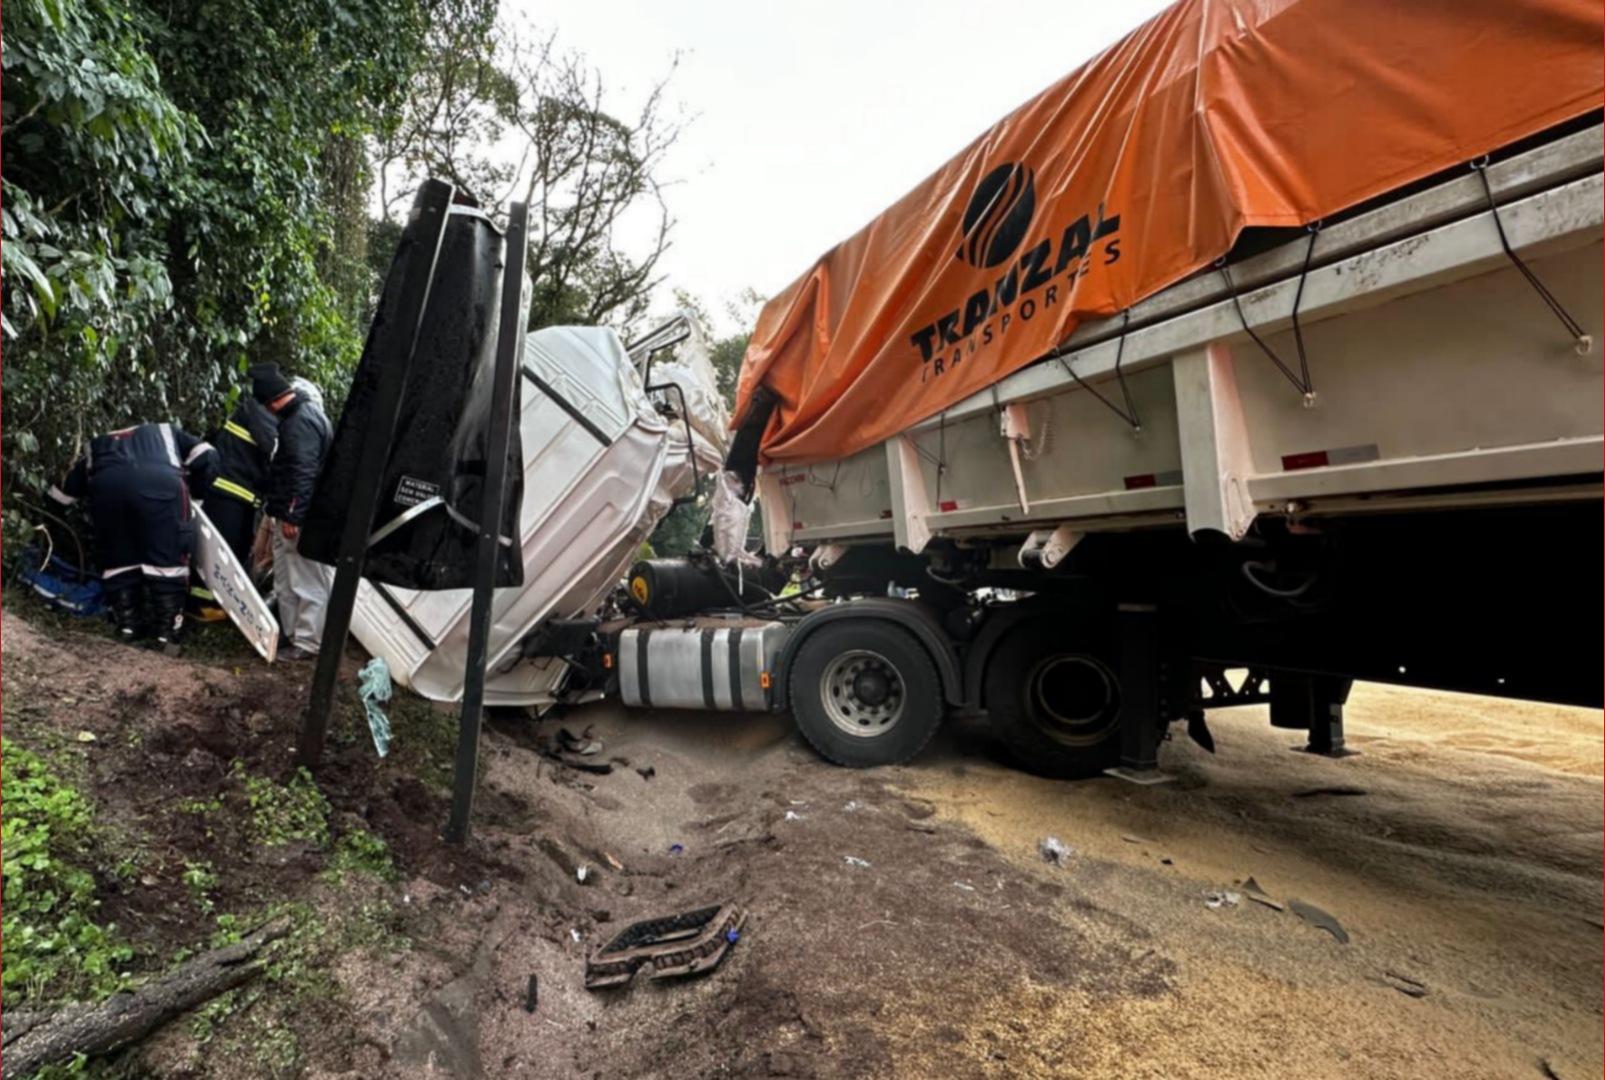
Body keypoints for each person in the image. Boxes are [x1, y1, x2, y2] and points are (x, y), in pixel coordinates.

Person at [49, 422, 219, 648]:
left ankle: (128, 627)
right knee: (168, 558)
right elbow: (208, 456)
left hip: (108, 492)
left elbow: (60, 494)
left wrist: (52, 524)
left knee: (119, 557)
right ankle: (167, 634)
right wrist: (196, 494)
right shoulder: (168, 432)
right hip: (161, 488)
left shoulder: (97, 447)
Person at [252, 364, 333, 661]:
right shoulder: (305, 416)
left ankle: (308, 643)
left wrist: (292, 514)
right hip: (291, 513)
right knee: (286, 581)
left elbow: (302, 470)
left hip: (301, 517)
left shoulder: (299, 422)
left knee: (307, 581)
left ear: (272, 402)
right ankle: (289, 636)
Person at [189, 391, 278, 619]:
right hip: (228, 495)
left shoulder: (257, 414)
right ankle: (200, 604)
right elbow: (274, 451)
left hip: (241, 497)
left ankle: (218, 605)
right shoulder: (260, 415)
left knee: (233, 553)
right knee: (216, 554)